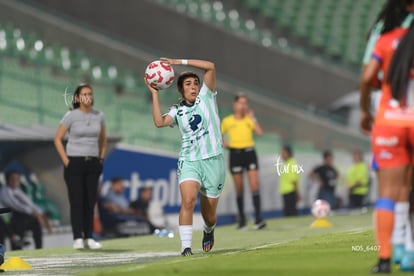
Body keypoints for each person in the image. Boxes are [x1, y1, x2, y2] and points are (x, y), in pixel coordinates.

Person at [144, 57, 226, 256]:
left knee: (210, 216)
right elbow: (159, 122)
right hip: (189, 161)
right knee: (188, 201)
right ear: (181, 89)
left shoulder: (207, 97)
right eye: (188, 84)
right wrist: (154, 94)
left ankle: (208, 230)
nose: (194, 87)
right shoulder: (177, 111)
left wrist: (177, 61)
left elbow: (211, 66)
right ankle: (186, 248)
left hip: (213, 161)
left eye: (195, 83)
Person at [360, 1, 414, 271]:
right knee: (406, 188)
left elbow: (368, 75)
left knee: (390, 190)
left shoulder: (383, 33)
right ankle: (407, 247)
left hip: (389, 118)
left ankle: (393, 252)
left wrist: (364, 110)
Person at [54, 83, 106, 250]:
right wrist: (67, 161)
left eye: (90, 93)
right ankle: (77, 237)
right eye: (84, 94)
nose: (88, 96)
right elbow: (57, 139)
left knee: (90, 202)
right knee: (77, 201)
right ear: (77, 98)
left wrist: (101, 157)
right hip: (74, 162)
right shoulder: (71, 115)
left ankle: (89, 237)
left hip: (93, 162)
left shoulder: (99, 115)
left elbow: (103, 139)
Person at [221, 94, 266, 229]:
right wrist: (224, 143)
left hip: (249, 153)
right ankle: (242, 219)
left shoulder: (249, 119)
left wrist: (252, 118)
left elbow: (259, 132)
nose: (243, 106)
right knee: (239, 188)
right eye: (240, 103)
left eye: (245, 103)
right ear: (235, 105)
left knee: (255, 185)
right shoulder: (227, 121)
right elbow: (218, 134)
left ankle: (258, 219)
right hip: (235, 154)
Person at [0, 170, 51, 250]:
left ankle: (39, 248)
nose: (15, 181)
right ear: (7, 180)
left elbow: (30, 203)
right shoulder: (4, 191)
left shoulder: (18, 191)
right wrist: (32, 213)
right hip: (6, 219)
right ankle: (16, 242)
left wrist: (40, 214)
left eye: (17, 179)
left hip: (16, 219)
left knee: (35, 222)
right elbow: (15, 205)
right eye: (12, 179)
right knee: (18, 218)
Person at [278, 145, 300, 217]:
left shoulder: (291, 163)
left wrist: (297, 192)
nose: (281, 155)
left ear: (289, 153)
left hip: (290, 191)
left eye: (283, 153)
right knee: (288, 212)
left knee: (291, 212)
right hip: (286, 191)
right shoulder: (286, 163)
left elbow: (293, 180)